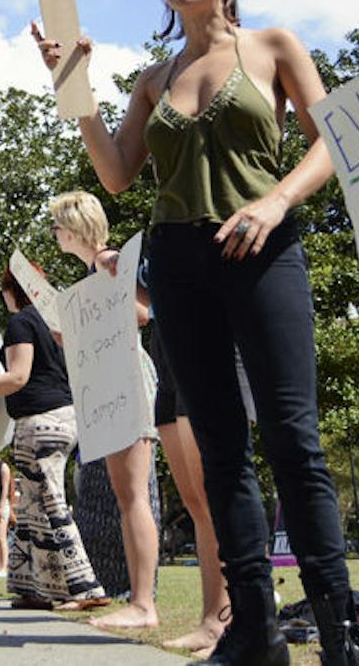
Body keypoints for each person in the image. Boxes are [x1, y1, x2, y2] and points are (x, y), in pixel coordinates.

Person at [34, 0, 359, 664]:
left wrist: (277, 201)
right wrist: (76, 89)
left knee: (294, 439)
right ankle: (252, 629)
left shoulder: (274, 47)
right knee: (220, 451)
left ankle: (341, 629)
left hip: (263, 249)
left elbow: (334, 140)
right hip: (179, 263)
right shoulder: (153, 81)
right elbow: (119, 174)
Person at [0, 269, 107, 613]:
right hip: (64, 417)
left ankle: (86, 586)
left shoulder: (20, 322)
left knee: (51, 504)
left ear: (9, 290)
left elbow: (18, 376)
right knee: (32, 509)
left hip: (38, 422)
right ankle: (35, 588)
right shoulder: (54, 324)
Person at [50, 190, 163, 630]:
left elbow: (142, 311)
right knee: (125, 496)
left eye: (57, 224)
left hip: (126, 377)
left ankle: (143, 602)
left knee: (134, 495)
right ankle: (137, 598)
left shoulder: (106, 261)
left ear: (75, 228)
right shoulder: (90, 273)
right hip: (107, 380)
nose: (54, 232)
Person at [146, 258, 232, 655]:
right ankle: (211, 617)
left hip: (197, 337)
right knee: (195, 503)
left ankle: (227, 618)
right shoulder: (154, 245)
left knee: (212, 496)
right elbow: (146, 309)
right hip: (165, 351)